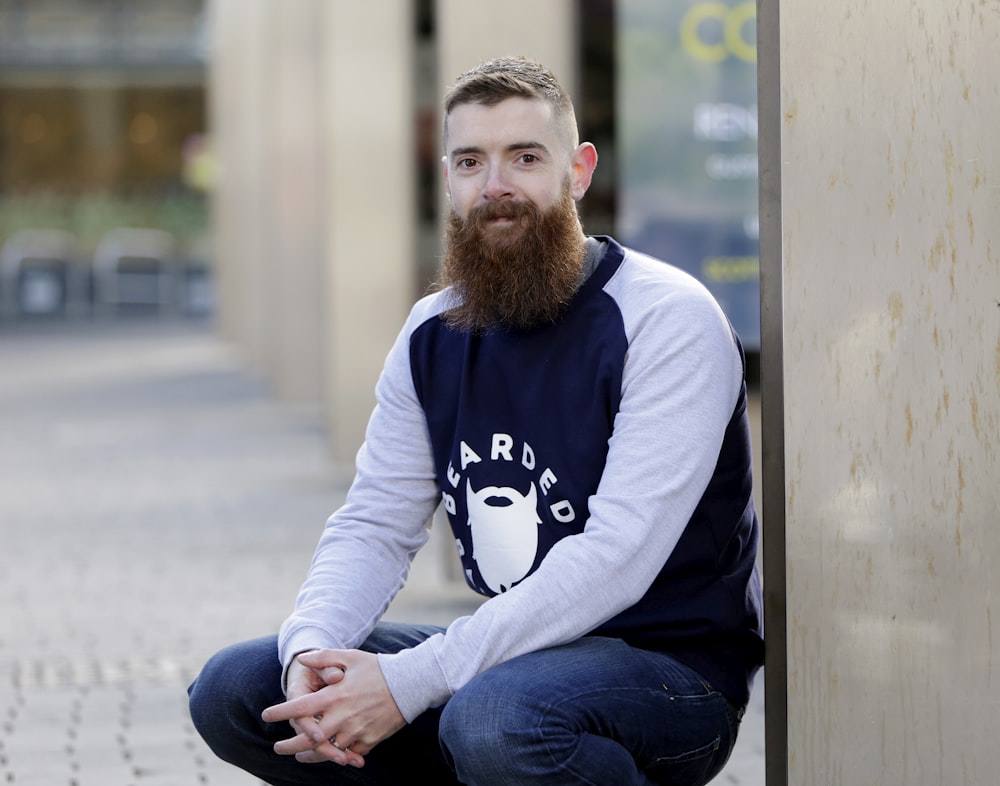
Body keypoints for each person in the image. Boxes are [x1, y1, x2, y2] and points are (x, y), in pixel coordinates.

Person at [188, 55, 763, 786]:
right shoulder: (433, 331)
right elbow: (375, 522)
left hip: (668, 671)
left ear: (578, 171)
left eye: (525, 157)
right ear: (450, 178)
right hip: (514, 658)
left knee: (493, 722)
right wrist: (311, 648)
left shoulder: (665, 318)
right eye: (471, 161)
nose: (496, 187)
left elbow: (616, 558)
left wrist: (409, 681)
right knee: (241, 689)